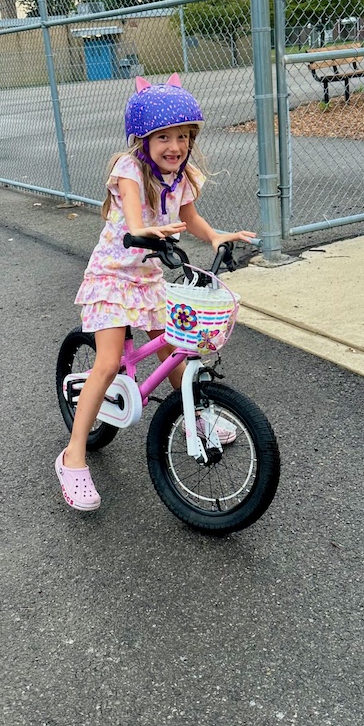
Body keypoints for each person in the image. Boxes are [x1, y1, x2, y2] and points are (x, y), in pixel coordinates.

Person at [55, 74, 257, 512]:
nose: (175, 146)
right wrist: (143, 230)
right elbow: (133, 218)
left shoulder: (182, 176)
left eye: (183, 137)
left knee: (175, 349)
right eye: (164, 137)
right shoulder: (129, 170)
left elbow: (191, 217)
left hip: (148, 277)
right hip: (112, 276)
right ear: (143, 140)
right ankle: (73, 457)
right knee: (108, 362)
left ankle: (193, 418)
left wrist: (215, 236)